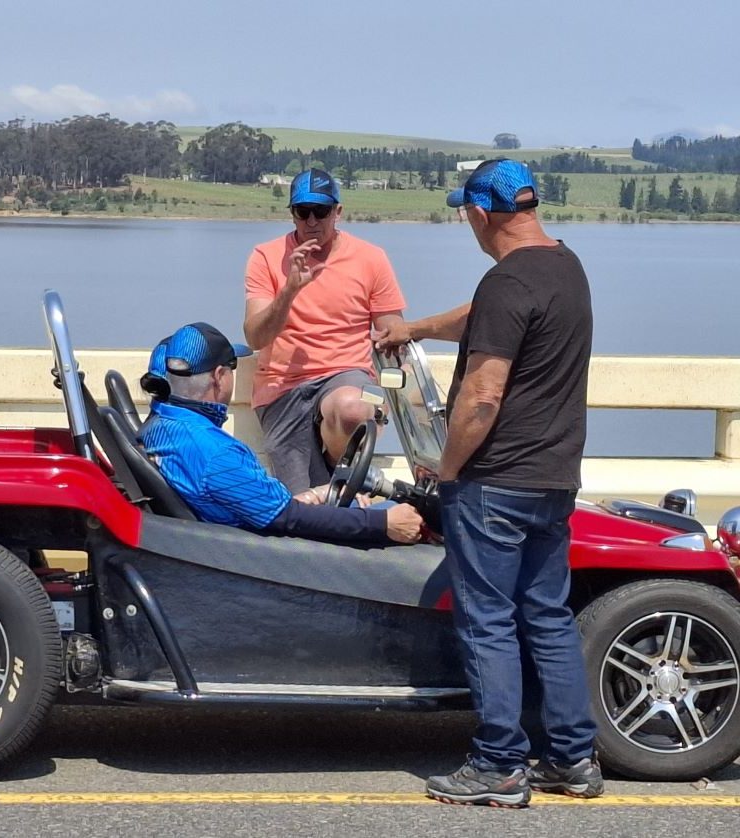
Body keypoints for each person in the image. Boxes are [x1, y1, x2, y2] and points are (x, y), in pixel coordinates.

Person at [419, 159, 603, 807]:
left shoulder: (506, 279)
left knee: (489, 621)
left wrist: (448, 469)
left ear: (481, 212)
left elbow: (482, 396)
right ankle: (573, 759)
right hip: (555, 477)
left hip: (495, 479)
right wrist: (414, 330)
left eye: (464, 212)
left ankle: (498, 763)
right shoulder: (565, 266)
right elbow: (482, 318)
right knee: (548, 618)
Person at [137, 321, 423, 544]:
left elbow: (270, 507)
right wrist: (384, 524)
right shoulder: (214, 452)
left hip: (243, 528)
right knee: (396, 515)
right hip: (264, 558)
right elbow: (288, 520)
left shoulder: (161, 426)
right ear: (219, 376)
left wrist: (318, 494)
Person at [243, 168, 407, 494]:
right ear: (292, 215)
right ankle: (340, 488)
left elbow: (394, 332)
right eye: (303, 212)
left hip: (347, 375)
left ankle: (342, 474)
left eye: (322, 211)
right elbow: (256, 337)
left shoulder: (371, 259)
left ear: (338, 212)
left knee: (354, 407)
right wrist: (289, 290)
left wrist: (389, 384)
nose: (312, 221)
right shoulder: (266, 257)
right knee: (303, 506)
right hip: (283, 388)